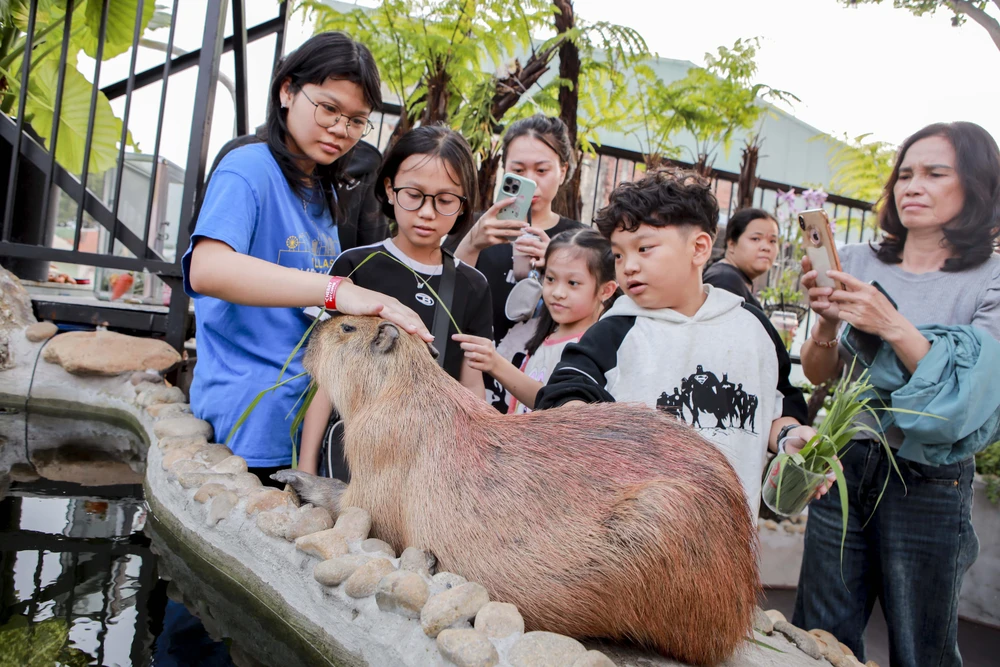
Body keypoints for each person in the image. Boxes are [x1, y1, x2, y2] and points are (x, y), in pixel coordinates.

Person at [182, 33, 431, 486]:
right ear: (287, 91)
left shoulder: (323, 189)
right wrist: (336, 290)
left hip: (311, 412)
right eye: (329, 109)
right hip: (255, 412)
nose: (341, 129)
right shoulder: (249, 167)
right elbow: (207, 269)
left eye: (357, 120)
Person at [794, 121, 1000, 666]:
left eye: (934, 173)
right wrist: (823, 326)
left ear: (977, 186)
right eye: (904, 173)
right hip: (844, 459)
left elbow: (969, 396)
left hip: (929, 475)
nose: (912, 186)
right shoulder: (857, 261)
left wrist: (889, 323)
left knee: (921, 647)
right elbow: (820, 375)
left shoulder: (991, 279)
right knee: (818, 639)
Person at [535, 170, 819, 518]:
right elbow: (564, 393)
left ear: (698, 248)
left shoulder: (752, 327)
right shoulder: (615, 330)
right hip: (636, 545)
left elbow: (776, 408)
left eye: (644, 248)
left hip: (732, 542)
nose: (629, 267)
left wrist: (792, 437)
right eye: (619, 255)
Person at [298, 125, 493, 475]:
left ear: (464, 203)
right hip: (353, 458)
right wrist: (307, 466)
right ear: (389, 188)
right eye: (413, 194)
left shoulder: (472, 285)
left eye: (445, 200)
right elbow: (327, 379)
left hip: (430, 463)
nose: (427, 212)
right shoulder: (355, 266)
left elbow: (471, 386)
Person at [451, 115, 585, 412]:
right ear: (504, 171)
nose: (531, 181)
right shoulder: (476, 227)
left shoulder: (580, 241)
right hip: (469, 383)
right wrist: (472, 242)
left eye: (542, 170)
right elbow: (446, 293)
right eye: (518, 170)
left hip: (542, 390)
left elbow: (593, 314)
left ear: (563, 171)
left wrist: (560, 264)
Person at [454, 228, 618, 414]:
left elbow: (553, 401)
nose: (557, 293)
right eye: (550, 279)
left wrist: (495, 363)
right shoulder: (549, 335)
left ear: (606, 290)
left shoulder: (592, 349)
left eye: (573, 283)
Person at [703, 207, 780, 310]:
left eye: (773, 241)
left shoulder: (733, 278)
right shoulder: (724, 280)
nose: (766, 247)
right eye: (755, 239)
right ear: (731, 244)